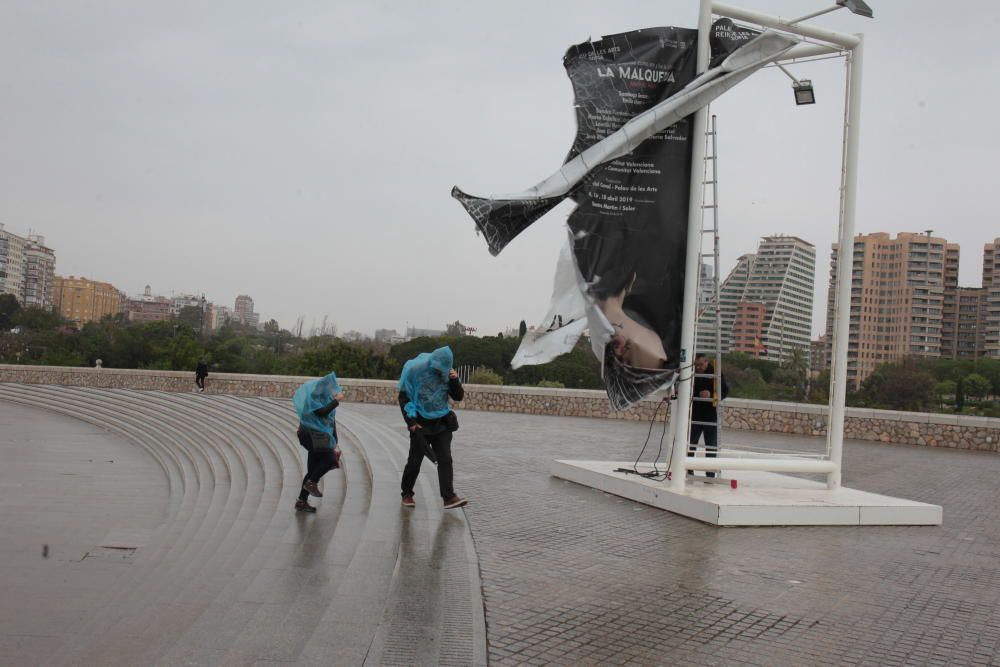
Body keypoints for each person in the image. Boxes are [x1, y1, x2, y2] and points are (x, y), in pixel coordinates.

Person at [398, 346, 468, 509]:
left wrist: (454, 379)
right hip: (420, 423)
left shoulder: (447, 374)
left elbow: (458, 396)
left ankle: (448, 497)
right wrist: (412, 424)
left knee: (445, 459)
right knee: (415, 461)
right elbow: (403, 397)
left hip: (441, 422)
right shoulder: (415, 371)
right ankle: (407, 493)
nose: (439, 372)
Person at [293, 372, 344, 513]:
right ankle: (311, 483)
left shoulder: (325, 398)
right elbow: (320, 412)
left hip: (319, 436)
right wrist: (336, 401)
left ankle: (302, 501)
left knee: (313, 468)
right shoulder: (314, 398)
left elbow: (331, 422)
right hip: (310, 435)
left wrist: (335, 443)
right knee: (329, 460)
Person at [688, 353, 729, 478]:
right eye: (697, 365)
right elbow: (686, 389)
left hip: (710, 414)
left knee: (711, 445)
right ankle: (688, 468)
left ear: (707, 362)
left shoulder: (715, 373)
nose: (698, 368)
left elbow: (725, 391)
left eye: (701, 365)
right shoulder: (691, 372)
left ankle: (710, 474)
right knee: (690, 444)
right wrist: (698, 394)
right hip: (695, 413)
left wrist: (711, 395)